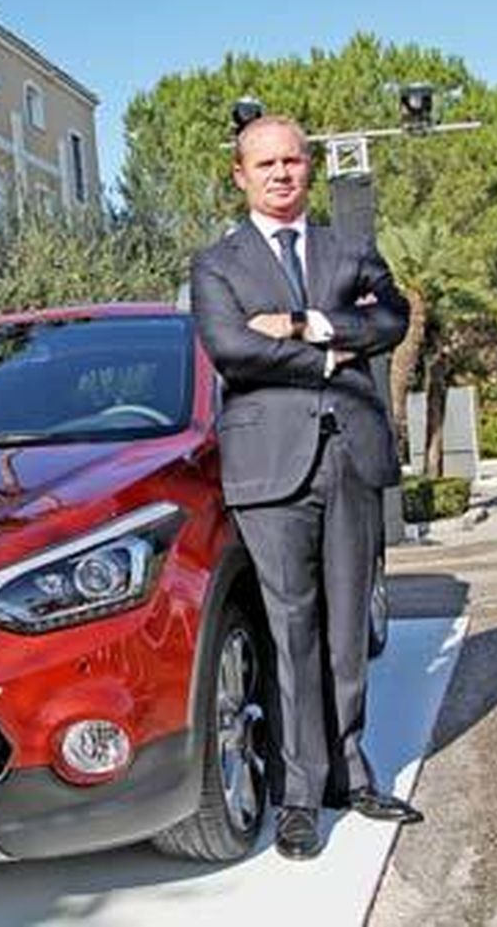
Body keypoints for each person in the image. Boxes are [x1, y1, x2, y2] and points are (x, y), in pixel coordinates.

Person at [189, 115, 419, 861]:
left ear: (309, 169)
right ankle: (297, 794)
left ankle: (350, 774)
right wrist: (330, 358)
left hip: (350, 456)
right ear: (240, 175)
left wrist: (302, 323)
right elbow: (231, 348)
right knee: (291, 630)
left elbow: (392, 316)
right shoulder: (216, 264)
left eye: (292, 160)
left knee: (348, 626)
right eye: (266, 163)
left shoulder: (347, 249)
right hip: (270, 468)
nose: (281, 173)